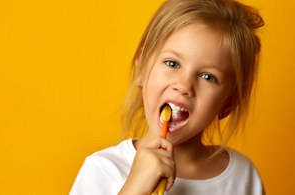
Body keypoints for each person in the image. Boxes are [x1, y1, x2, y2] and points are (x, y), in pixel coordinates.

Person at [70, 0, 265, 194]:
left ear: (229, 102)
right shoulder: (104, 170)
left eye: (208, 77)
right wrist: (135, 188)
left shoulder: (243, 177)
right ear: (142, 68)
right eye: (172, 63)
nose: (183, 86)